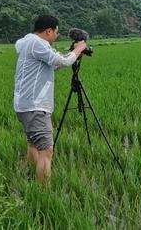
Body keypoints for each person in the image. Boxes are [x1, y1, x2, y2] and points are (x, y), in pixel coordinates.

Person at [14, 15, 87, 184]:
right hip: (35, 106)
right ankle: (43, 193)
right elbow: (62, 60)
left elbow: (55, 64)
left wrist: (74, 54)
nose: (57, 36)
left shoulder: (29, 43)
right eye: (56, 32)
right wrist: (78, 49)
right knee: (46, 150)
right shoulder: (37, 44)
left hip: (25, 106)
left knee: (33, 144)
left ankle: (31, 177)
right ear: (48, 31)